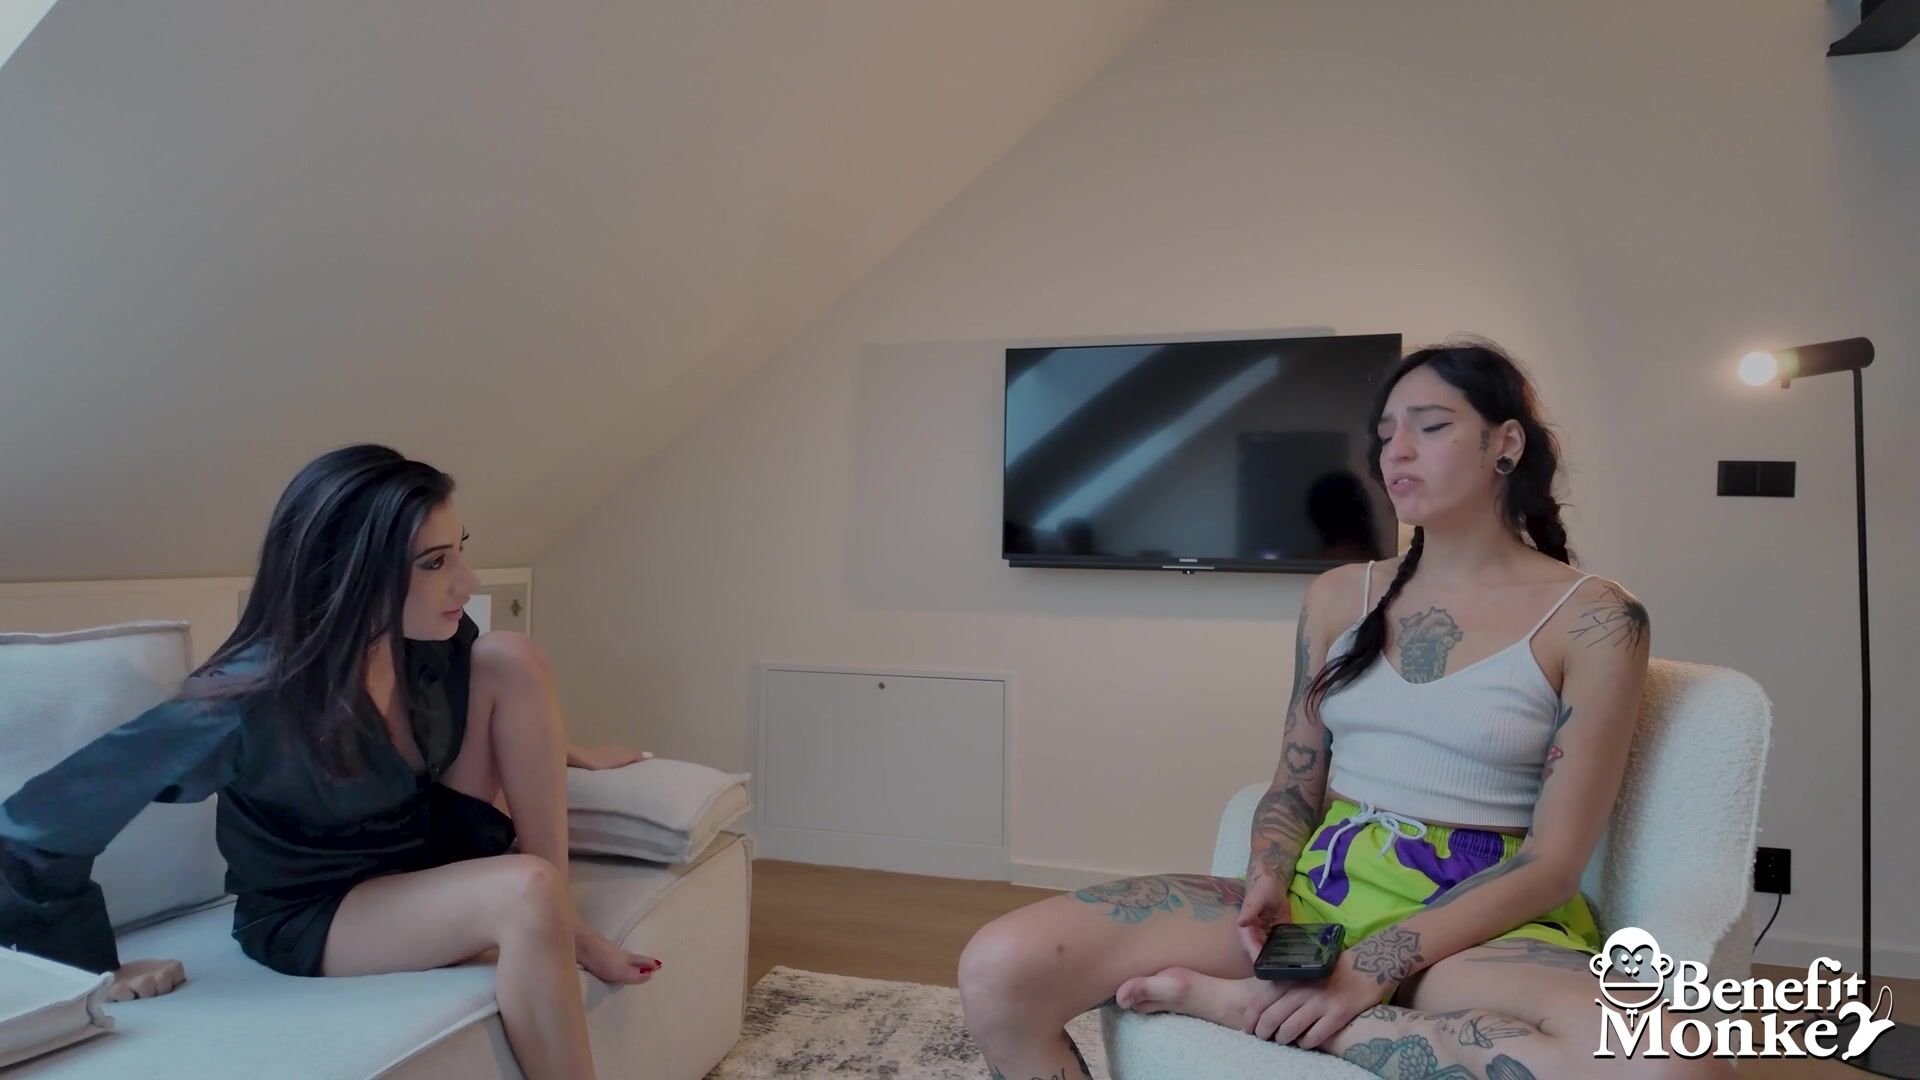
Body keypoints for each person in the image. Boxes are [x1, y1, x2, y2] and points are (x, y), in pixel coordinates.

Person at [958, 340, 1730, 1079]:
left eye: (1431, 427)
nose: (1397, 451)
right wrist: (1267, 874)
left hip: (1480, 921)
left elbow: (1554, 863)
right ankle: (1299, 1004)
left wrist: (1368, 971)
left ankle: (1270, 1015)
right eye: (1386, 434)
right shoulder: (1338, 596)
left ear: (1506, 442)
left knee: (1667, 1060)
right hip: (1318, 894)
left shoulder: (1595, 618)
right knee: (1001, 967)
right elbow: (1293, 785)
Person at [0, 444, 657, 1080]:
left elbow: (480, 710)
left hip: (419, 848)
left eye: (460, 549)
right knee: (526, 888)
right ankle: (549, 914)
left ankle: (566, 920)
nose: (468, 580)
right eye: (434, 562)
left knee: (513, 655)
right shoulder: (242, 703)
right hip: (321, 908)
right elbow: (39, 820)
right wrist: (90, 971)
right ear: (349, 572)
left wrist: (565, 751)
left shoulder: (424, 641)